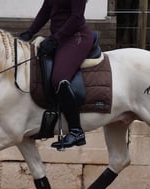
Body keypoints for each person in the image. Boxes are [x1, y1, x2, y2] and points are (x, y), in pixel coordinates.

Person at [19, 0, 94, 149]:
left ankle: (76, 131)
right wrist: (29, 33)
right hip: (60, 38)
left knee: (59, 79)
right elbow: (45, 11)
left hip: (76, 37)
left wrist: (55, 40)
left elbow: (76, 18)